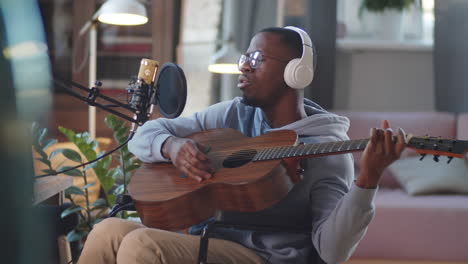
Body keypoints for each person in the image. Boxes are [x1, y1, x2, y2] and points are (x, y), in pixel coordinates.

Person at [77, 26, 405, 264]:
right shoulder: (232, 114)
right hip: (207, 239)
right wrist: (172, 146)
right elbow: (148, 134)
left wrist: (367, 182)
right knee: (107, 231)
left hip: (266, 255)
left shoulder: (326, 149)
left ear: (296, 74)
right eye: (245, 56)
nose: (244, 65)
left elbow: (332, 252)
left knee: (142, 245)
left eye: (258, 58)